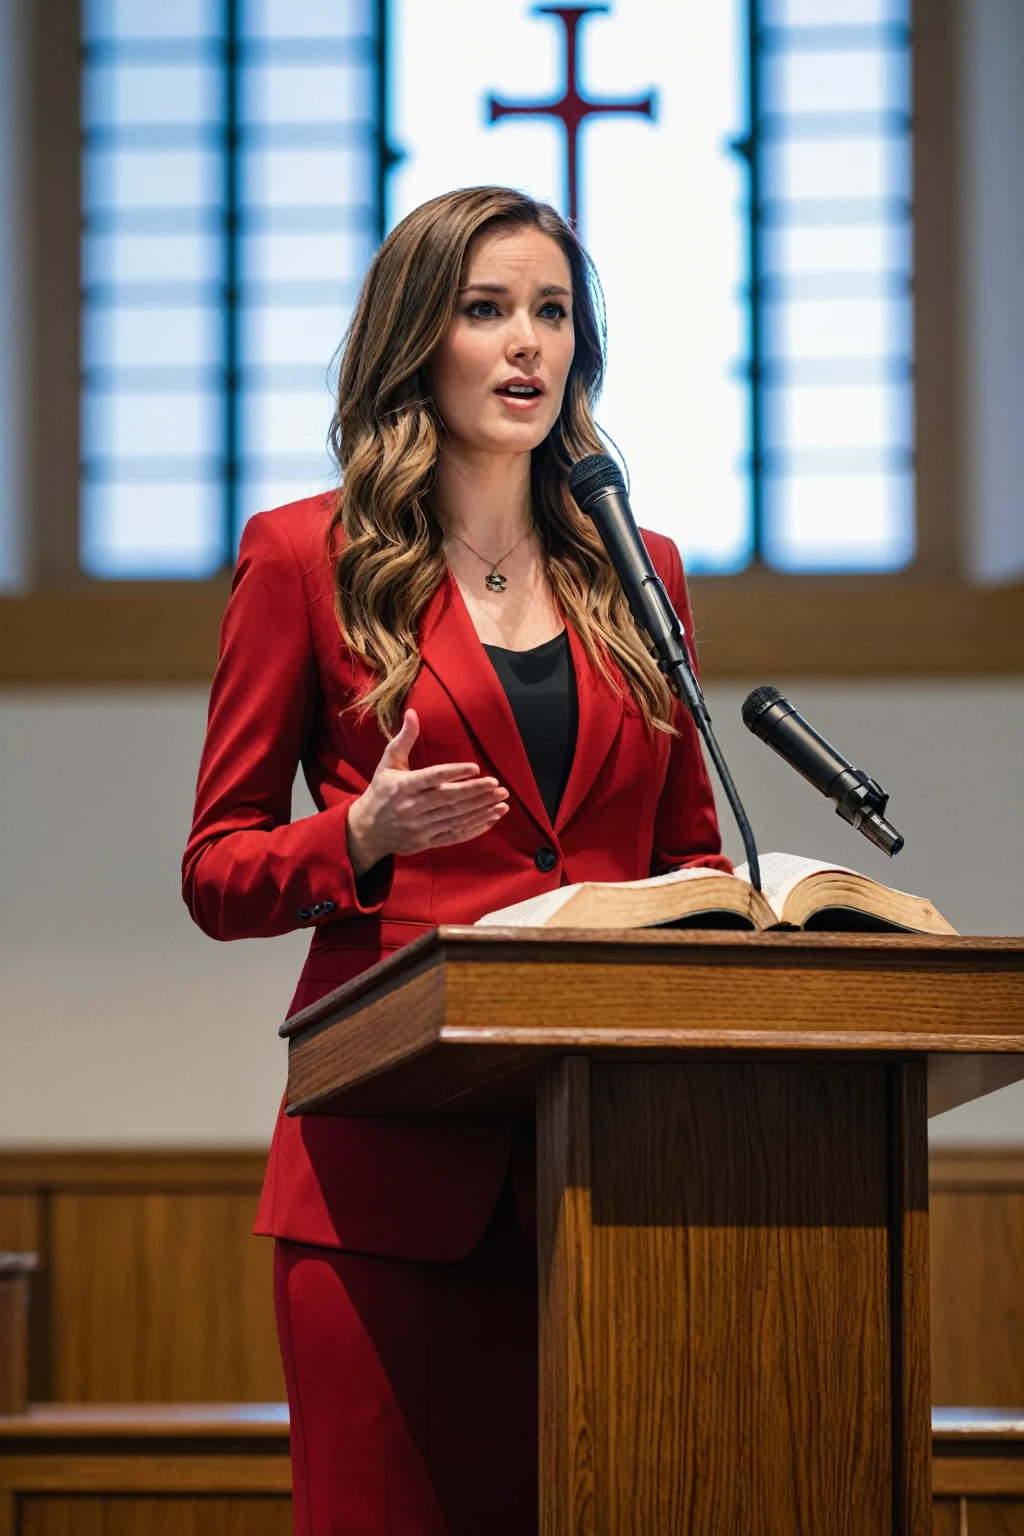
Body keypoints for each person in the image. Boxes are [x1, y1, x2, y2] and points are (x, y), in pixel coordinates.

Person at [183, 185, 729, 1536]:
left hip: (610, 1177)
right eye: (488, 311)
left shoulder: (636, 566)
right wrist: (356, 836)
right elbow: (216, 869)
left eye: (553, 312)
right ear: (419, 338)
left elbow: (689, 856)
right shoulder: (302, 558)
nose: (526, 344)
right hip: (385, 1185)